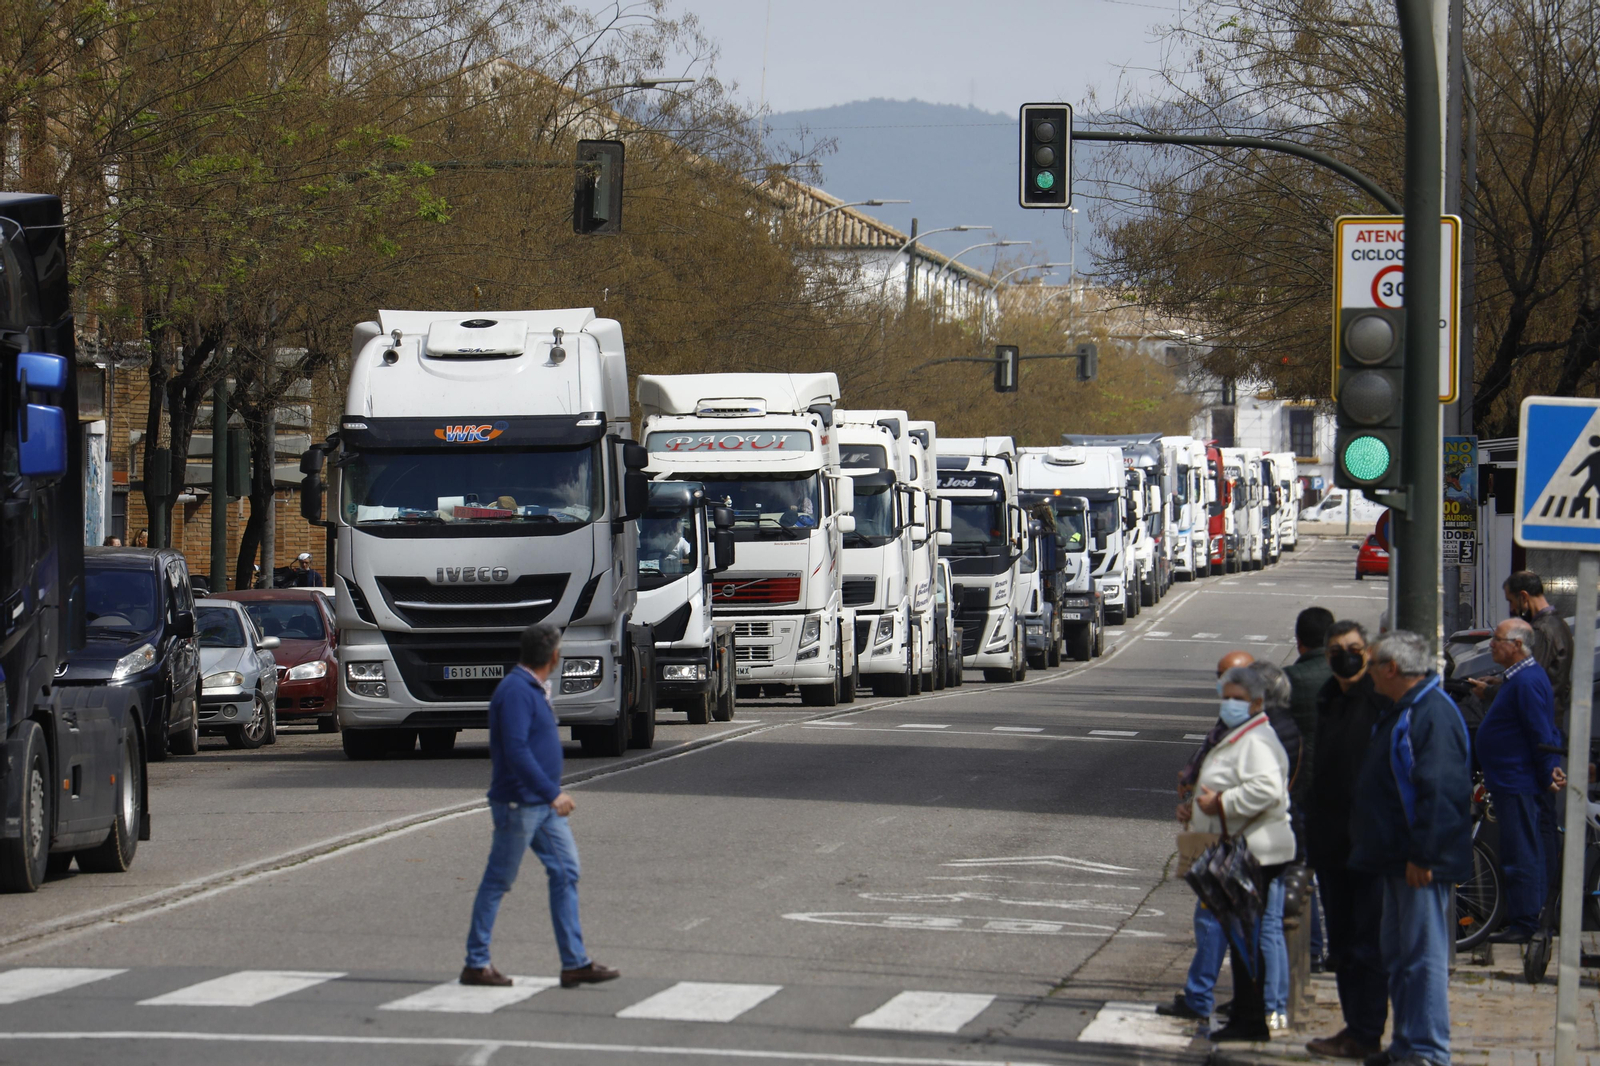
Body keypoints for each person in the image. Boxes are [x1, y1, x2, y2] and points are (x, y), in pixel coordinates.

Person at [462, 622, 620, 989]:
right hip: (521, 802)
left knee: (566, 872)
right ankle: (476, 962)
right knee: (498, 881)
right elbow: (516, 749)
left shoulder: (531, 687)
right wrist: (552, 793)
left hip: (539, 804)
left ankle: (575, 962)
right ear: (554, 655)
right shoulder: (516, 691)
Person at [1349, 630, 1472, 1066]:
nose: (1369, 675)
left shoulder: (1428, 714)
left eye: (1374, 665)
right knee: (1400, 957)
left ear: (1392, 669)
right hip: (1396, 858)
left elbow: (1440, 789)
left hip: (1417, 861)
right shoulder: (1406, 709)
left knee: (1423, 958)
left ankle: (1428, 1050)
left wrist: (1424, 854)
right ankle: (1407, 1043)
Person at [1190, 664, 1296, 1044]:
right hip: (1246, 845)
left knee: (1251, 935)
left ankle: (1254, 1016)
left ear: (1257, 702)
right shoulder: (1246, 734)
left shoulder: (1259, 739)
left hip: (1258, 849)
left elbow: (1266, 790)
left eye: (1239, 699)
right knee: (1242, 935)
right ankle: (1248, 1013)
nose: (1231, 705)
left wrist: (1221, 802)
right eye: (1227, 698)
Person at [1304, 621, 1390, 1060]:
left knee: (1367, 943)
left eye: (1353, 648)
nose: (1345, 656)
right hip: (1332, 843)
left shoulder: (1377, 699)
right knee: (1341, 944)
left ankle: (1368, 1030)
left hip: (1369, 843)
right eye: (1336, 650)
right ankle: (1355, 1027)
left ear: (1368, 651)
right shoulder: (1328, 698)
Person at [1160, 649, 1256, 1027]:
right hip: (1217, 830)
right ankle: (1240, 996)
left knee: (1217, 918)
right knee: (1223, 918)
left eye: (1227, 678)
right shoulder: (1230, 721)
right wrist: (1190, 793)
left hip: (1235, 835)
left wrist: (1208, 800)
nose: (1221, 685)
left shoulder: (1253, 728)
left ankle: (1208, 995)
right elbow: (1203, 762)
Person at [1466, 618, 1565, 944]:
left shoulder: (1525, 681)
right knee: (1519, 847)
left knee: (1521, 850)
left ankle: (1525, 922)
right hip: (1511, 778)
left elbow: (1540, 733)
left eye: (1498, 639)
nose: (1492, 645)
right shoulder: (1518, 678)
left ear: (1517, 646)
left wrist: (1545, 774)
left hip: (1518, 780)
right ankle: (1524, 918)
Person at [1502, 572, 1573, 733]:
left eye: (1511, 601)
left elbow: (1528, 680)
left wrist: (1488, 690)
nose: (1512, 608)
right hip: (1550, 718)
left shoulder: (1542, 630)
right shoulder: (1559, 624)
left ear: (1523, 596)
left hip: (1539, 721)